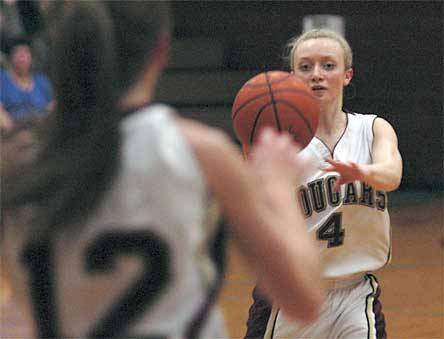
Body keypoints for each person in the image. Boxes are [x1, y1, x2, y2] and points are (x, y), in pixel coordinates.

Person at [0, 2, 323, 338]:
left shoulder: (14, 160)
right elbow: (303, 300)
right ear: (162, 51)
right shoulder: (200, 152)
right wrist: (277, 189)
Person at [244, 28, 403, 339]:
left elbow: (391, 174)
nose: (317, 74)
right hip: (291, 292)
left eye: (328, 65)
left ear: (346, 75)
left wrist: (362, 172)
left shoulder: (373, 129)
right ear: (292, 78)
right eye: (305, 67)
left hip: (356, 292)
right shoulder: (279, 142)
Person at [0, 35, 54, 130]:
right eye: (17, 53)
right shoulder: (2, 80)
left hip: (42, 131)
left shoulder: (41, 81)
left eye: (25, 52)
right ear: (10, 58)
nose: (22, 57)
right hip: (13, 135)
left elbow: (52, 106)